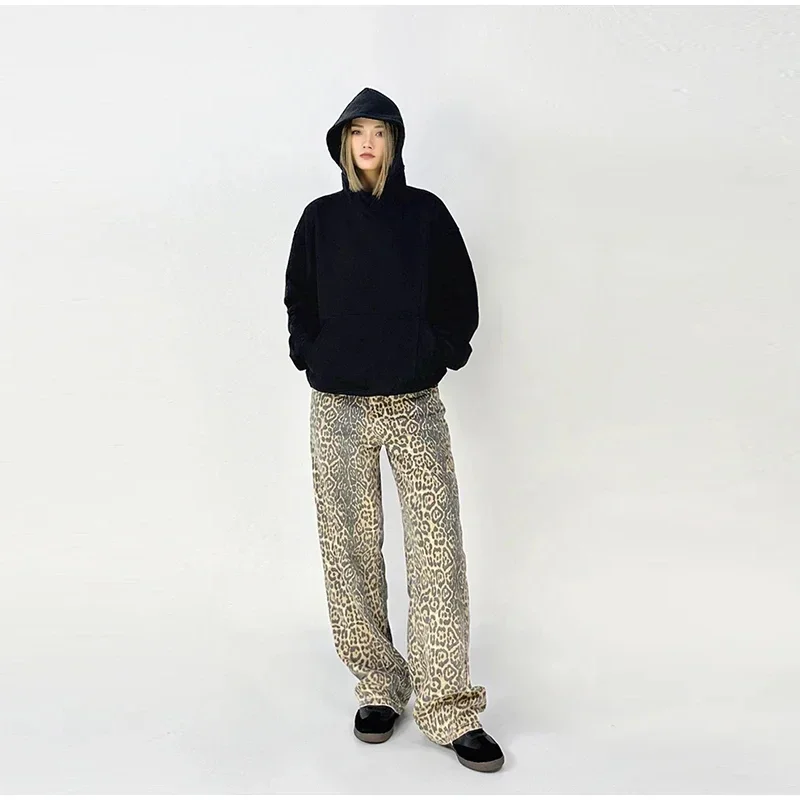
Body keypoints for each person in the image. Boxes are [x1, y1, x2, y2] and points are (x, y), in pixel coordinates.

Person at [283, 87, 504, 773]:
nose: (368, 144)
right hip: (338, 407)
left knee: (437, 550)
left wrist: (438, 353)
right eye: (357, 133)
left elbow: (459, 296)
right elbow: (299, 297)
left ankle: (448, 704)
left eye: (378, 132)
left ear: (394, 141)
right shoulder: (319, 219)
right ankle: (379, 684)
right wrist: (312, 354)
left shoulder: (425, 214)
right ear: (342, 143)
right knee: (349, 545)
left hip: (413, 403)